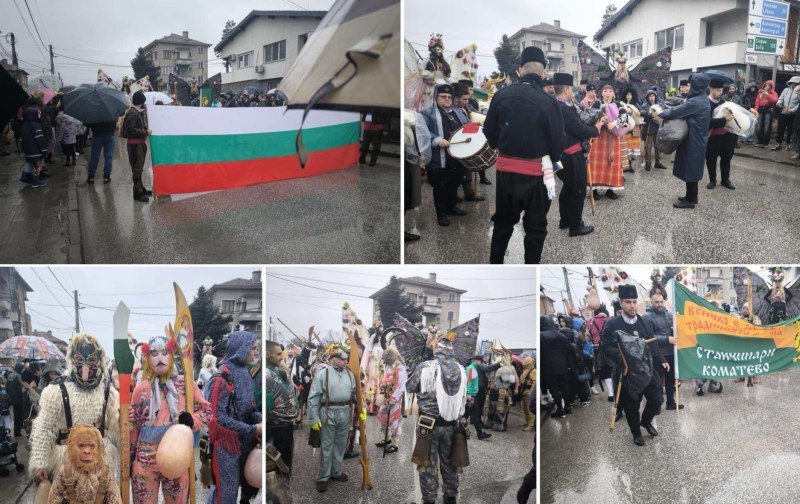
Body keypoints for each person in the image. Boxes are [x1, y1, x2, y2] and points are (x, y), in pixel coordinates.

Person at [483, 46, 565, 263]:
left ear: (520, 71)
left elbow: (489, 132)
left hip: (505, 172)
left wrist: (499, 145)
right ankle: (531, 269)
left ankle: (496, 265)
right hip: (537, 173)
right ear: (544, 73)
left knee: (502, 223)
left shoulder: (500, 95)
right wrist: (552, 158)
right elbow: (558, 142)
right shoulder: (549, 103)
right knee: (536, 228)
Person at [29, 334, 120, 490]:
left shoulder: (109, 393)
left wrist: (127, 417)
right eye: (79, 361)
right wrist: (39, 461)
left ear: (99, 362)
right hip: (66, 463)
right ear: (72, 361)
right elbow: (44, 427)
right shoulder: (55, 391)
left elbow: (117, 427)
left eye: (91, 361)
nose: (85, 368)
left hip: (100, 461)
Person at [130, 335, 210, 503]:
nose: (159, 357)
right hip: (145, 460)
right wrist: (129, 460)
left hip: (177, 456)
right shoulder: (140, 390)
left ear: (172, 354)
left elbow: (207, 411)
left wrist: (192, 420)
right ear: (147, 357)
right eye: (154, 353)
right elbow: (133, 427)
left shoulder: (186, 385)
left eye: (164, 352)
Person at [600, 285, 666, 446]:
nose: (632, 305)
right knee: (631, 406)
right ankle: (636, 433)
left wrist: (662, 359)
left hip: (646, 369)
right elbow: (605, 346)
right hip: (627, 372)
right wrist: (620, 356)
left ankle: (646, 421)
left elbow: (652, 343)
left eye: (634, 301)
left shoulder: (644, 321)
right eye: (628, 302)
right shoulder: (612, 324)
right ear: (621, 303)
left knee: (657, 399)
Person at [406, 334, 468, 504]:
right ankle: (450, 498)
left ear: (437, 350)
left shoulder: (426, 367)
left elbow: (409, 387)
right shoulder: (461, 370)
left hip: (428, 426)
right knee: (451, 465)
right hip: (452, 426)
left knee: (427, 466)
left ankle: (429, 500)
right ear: (452, 351)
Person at [206, 331, 262, 504]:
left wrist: (260, 418)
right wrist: (253, 429)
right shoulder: (220, 378)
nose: (256, 352)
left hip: (246, 443)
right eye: (253, 348)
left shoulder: (245, 372)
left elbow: (249, 408)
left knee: (245, 489)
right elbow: (217, 419)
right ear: (241, 349)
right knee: (226, 494)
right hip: (226, 448)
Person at [654, 73, 711, 209]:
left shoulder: (696, 102)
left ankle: (690, 200)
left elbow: (676, 112)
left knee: (691, 169)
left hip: (693, 140)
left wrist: (662, 113)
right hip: (695, 139)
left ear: (697, 85)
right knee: (690, 167)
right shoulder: (701, 98)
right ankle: (690, 196)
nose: (689, 86)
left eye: (691, 84)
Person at [553, 72, 601, 237]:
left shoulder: (555, 104)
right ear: (566, 89)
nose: (573, 90)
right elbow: (579, 128)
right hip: (571, 155)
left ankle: (565, 220)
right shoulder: (564, 109)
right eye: (571, 88)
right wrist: (597, 128)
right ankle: (575, 226)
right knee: (577, 189)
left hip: (561, 154)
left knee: (568, 187)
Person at [307, 344, 359, 493]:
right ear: (334, 359)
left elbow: (355, 394)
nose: (346, 362)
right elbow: (313, 397)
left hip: (345, 412)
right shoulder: (323, 374)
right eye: (343, 359)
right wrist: (313, 418)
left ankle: (336, 472)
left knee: (340, 445)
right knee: (327, 446)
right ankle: (323, 477)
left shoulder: (350, 375)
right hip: (328, 413)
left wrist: (362, 408)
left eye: (346, 359)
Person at [421, 84, 469, 226]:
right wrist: (436, 140)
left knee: (454, 183)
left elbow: (465, 127)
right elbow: (422, 132)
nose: (447, 99)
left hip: (456, 156)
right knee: (441, 186)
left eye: (449, 97)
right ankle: (441, 213)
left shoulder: (458, 112)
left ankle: (451, 206)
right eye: (443, 96)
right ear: (436, 97)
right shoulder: (427, 113)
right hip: (438, 158)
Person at [47, 424, 122, 504]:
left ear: (99, 447)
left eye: (92, 446)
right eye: (81, 445)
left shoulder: (105, 472)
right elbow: (54, 499)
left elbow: (115, 500)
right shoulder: (65, 471)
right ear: (71, 447)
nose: (87, 451)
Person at [643, 285, 683, 410]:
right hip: (657, 354)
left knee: (671, 380)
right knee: (658, 382)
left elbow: (675, 331)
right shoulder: (647, 317)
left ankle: (671, 402)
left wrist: (677, 330)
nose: (660, 304)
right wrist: (667, 339)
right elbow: (648, 338)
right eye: (657, 302)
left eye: (661, 301)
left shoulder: (669, 314)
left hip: (671, 352)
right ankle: (657, 405)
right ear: (651, 301)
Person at [264, 340, 297, 476]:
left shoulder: (280, 373)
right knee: (272, 466)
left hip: (285, 426)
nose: (281, 357)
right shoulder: (264, 374)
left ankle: (284, 489)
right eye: (278, 354)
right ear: (267, 354)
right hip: (272, 428)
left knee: (285, 463)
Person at [588, 85, 624, 200]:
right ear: (601, 94)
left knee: (612, 163)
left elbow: (625, 117)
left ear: (613, 94)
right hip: (599, 137)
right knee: (595, 162)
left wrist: (614, 123)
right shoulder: (596, 104)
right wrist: (600, 120)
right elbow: (588, 117)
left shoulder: (618, 105)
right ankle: (594, 190)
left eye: (610, 91)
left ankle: (611, 189)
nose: (607, 93)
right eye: (605, 91)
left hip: (613, 137)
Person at [453, 83, 485, 202]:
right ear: (455, 98)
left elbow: (476, 114)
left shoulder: (466, 107)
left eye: (467, 99)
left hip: (467, 142)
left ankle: (469, 193)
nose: (467, 101)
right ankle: (453, 196)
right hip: (459, 144)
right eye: (464, 99)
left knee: (468, 170)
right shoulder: (453, 110)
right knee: (459, 172)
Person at [705, 77, 738, 190]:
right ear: (711, 89)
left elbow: (735, 110)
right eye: (718, 90)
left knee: (726, 158)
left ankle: (725, 180)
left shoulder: (723, 101)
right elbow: (707, 122)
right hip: (713, 136)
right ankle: (712, 180)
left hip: (727, 135)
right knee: (711, 159)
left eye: (721, 90)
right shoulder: (706, 103)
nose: (720, 92)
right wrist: (724, 120)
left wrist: (749, 109)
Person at [374, 347, 407, 454]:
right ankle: (386, 438)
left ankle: (394, 444)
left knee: (394, 421)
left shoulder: (400, 367)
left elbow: (402, 386)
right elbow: (385, 378)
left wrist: (393, 398)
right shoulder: (388, 366)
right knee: (383, 418)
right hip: (386, 395)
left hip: (395, 399)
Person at [122, 90, 153, 202]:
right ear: (141, 101)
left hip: (139, 143)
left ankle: (140, 188)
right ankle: (137, 193)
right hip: (135, 144)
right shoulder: (132, 113)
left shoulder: (136, 111)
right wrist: (145, 132)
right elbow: (131, 130)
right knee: (137, 168)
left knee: (139, 167)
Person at [540, 316, 573, 417]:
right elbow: (568, 352)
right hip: (562, 366)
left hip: (549, 367)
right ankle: (568, 407)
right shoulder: (562, 335)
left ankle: (560, 408)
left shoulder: (541, 336)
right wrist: (568, 365)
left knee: (554, 389)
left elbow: (541, 355)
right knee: (565, 387)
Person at [19, 106, 48, 188]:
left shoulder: (24, 125)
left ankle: (24, 178)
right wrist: (44, 149)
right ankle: (36, 181)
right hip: (36, 151)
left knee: (29, 164)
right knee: (37, 166)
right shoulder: (36, 125)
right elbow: (39, 138)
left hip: (28, 151)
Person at [85, 118, 117, 184]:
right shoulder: (111, 111)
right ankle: (106, 176)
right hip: (110, 135)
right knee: (109, 156)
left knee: (94, 156)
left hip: (97, 136)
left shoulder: (95, 112)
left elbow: (87, 123)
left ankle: (91, 176)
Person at [772, 76, 800, 150]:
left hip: (793, 114)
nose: (793, 84)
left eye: (796, 83)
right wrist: (779, 103)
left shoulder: (799, 92)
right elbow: (781, 98)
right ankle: (778, 144)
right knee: (780, 128)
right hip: (783, 112)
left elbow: (799, 104)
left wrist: (792, 110)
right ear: (790, 83)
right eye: (792, 83)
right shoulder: (785, 90)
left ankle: (788, 144)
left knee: (790, 130)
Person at [639, 90, 665, 170]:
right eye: (650, 96)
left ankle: (658, 162)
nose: (652, 98)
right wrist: (649, 115)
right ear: (647, 97)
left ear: (655, 97)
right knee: (648, 146)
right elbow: (642, 113)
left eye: (653, 96)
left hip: (658, 128)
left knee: (658, 146)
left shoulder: (659, 105)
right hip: (649, 128)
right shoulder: (644, 105)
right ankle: (648, 163)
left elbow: (663, 113)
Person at [754, 80, 778, 147]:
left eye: (768, 86)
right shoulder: (760, 93)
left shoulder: (774, 93)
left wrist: (768, 95)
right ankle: (760, 141)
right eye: (766, 85)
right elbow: (757, 103)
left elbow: (774, 100)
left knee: (767, 127)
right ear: (763, 86)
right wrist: (755, 111)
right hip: (760, 110)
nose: (767, 87)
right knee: (758, 127)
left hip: (768, 110)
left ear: (771, 87)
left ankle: (765, 142)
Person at [6, 362, 24, 437]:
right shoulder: (19, 376)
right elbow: (22, 388)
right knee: (18, 416)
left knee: (14, 415)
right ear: (20, 368)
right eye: (22, 368)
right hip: (18, 399)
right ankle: (17, 432)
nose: (23, 370)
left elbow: (7, 387)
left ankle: (15, 431)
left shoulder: (9, 375)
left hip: (10, 398)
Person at [518, 356, 536, 432]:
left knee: (529, 409)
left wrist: (530, 392)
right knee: (524, 408)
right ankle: (527, 421)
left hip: (528, 391)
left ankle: (530, 425)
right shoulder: (525, 370)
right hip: (523, 391)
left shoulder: (533, 371)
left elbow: (535, 382)